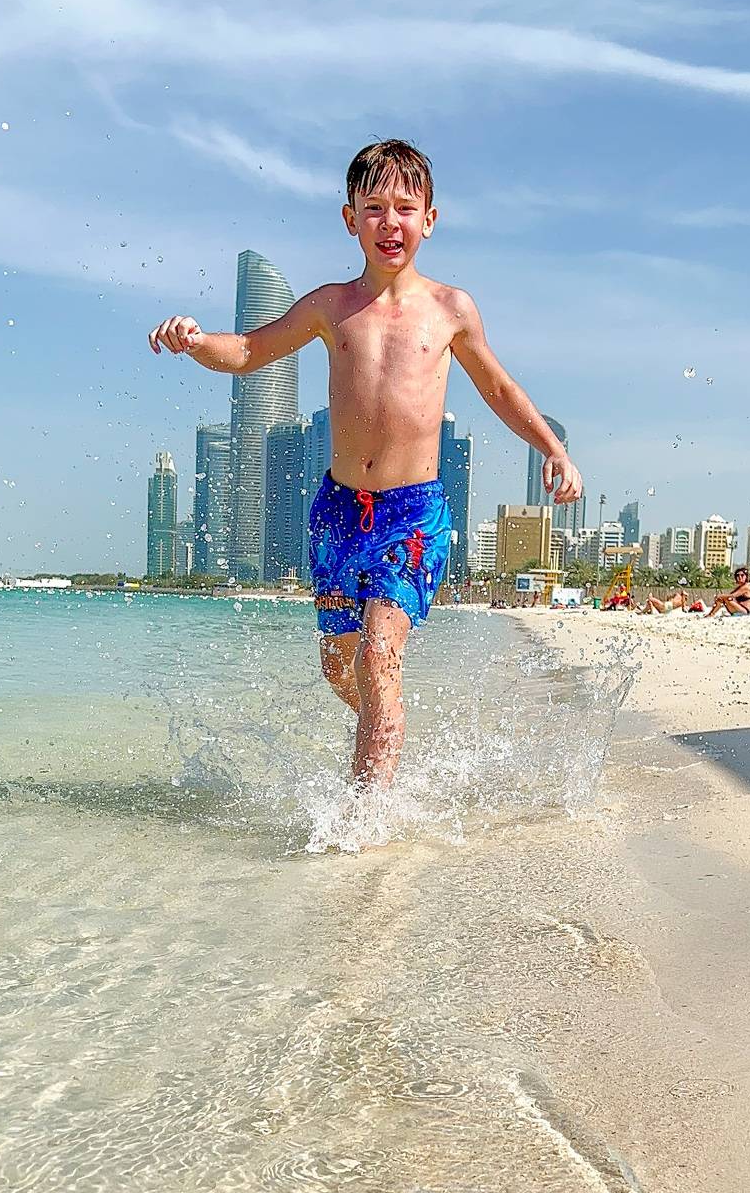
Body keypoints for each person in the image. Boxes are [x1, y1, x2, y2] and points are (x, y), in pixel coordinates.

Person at [148, 140, 582, 789]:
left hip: (413, 515)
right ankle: (387, 725)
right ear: (350, 218)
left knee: (378, 655)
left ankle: (365, 820)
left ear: (430, 219)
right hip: (338, 512)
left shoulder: (451, 310)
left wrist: (553, 448)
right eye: (374, 207)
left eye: (405, 208)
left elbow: (497, 387)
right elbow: (249, 351)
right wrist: (196, 341)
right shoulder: (332, 306)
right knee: (339, 666)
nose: (390, 222)